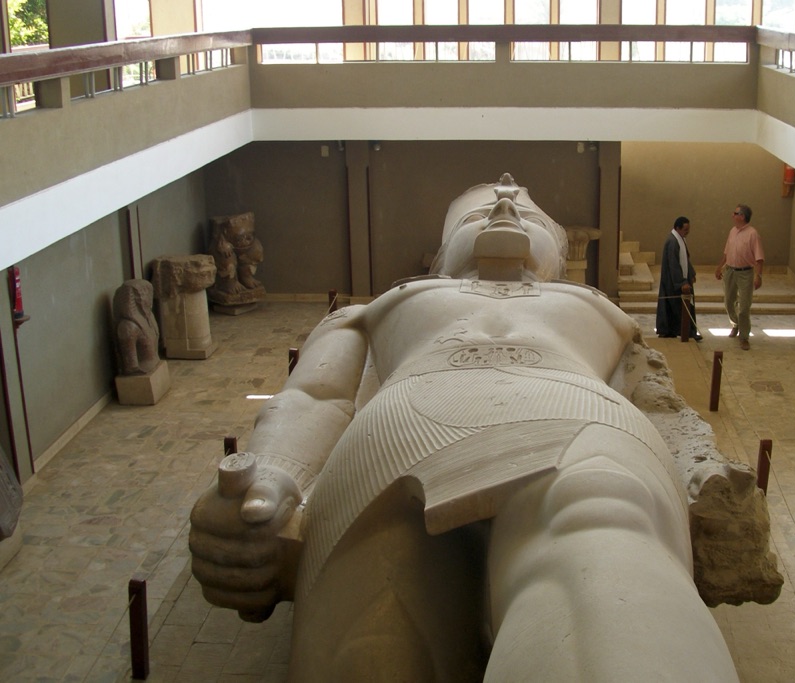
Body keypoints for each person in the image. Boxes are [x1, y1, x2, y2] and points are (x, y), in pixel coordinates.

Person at [189, 174, 739, 682]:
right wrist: (272, 481)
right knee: (373, 637)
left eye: (525, 213)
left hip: (575, 420)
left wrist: (708, 485)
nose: (504, 203)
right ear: (441, 255)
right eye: (478, 215)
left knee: (603, 543)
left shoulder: (594, 306)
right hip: (395, 442)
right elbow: (315, 396)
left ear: (559, 256)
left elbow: (661, 407)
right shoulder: (383, 305)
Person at [714, 204, 764, 351]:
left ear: (742, 216)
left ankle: (744, 337)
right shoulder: (732, 231)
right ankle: (735, 324)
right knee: (729, 302)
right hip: (730, 271)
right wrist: (719, 267)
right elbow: (726, 252)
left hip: (745, 273)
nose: (732, 215)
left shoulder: (753, 234)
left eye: (735, 213)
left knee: (744, 306)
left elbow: (759, 258)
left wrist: (758, 276)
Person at [656, 216, 702, 341]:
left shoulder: (681, 238)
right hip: (673, 282)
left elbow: (685, 259)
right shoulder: (672, 241)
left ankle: (683, 330)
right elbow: (674, 264)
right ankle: (684, 331)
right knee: (677, 307)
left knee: (680, 307)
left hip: (680, 279)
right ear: (678, 228)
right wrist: (681, 282)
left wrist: (691, 273)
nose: (688, 232)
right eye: (686, 229)